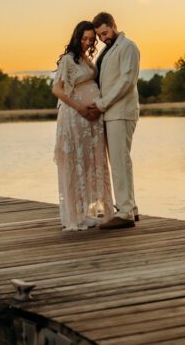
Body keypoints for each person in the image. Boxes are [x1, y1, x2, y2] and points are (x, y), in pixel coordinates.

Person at [51, 20, 114, 231]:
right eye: (84, 38)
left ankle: (91, 212)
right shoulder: (68, 60)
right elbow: (57, 90)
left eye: (91, 39)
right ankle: (76, 214)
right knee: (77, 163)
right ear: (76, 37)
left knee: (90, 163)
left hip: (91, 121)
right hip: (76, 118)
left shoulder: (86, 59)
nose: (87, 42)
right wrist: (80, 107)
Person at [83, 12, 141, 229]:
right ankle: (130, 209)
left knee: (119, 162)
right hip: (111, 113)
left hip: (121, 112)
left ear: (114, 25)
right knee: (121, 161)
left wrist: (102, 103)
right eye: (99, 36)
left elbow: (127, 81)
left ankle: (125, 212)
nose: (102, 38)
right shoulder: (108, 50)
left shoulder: (128, 47)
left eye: (105, 33)